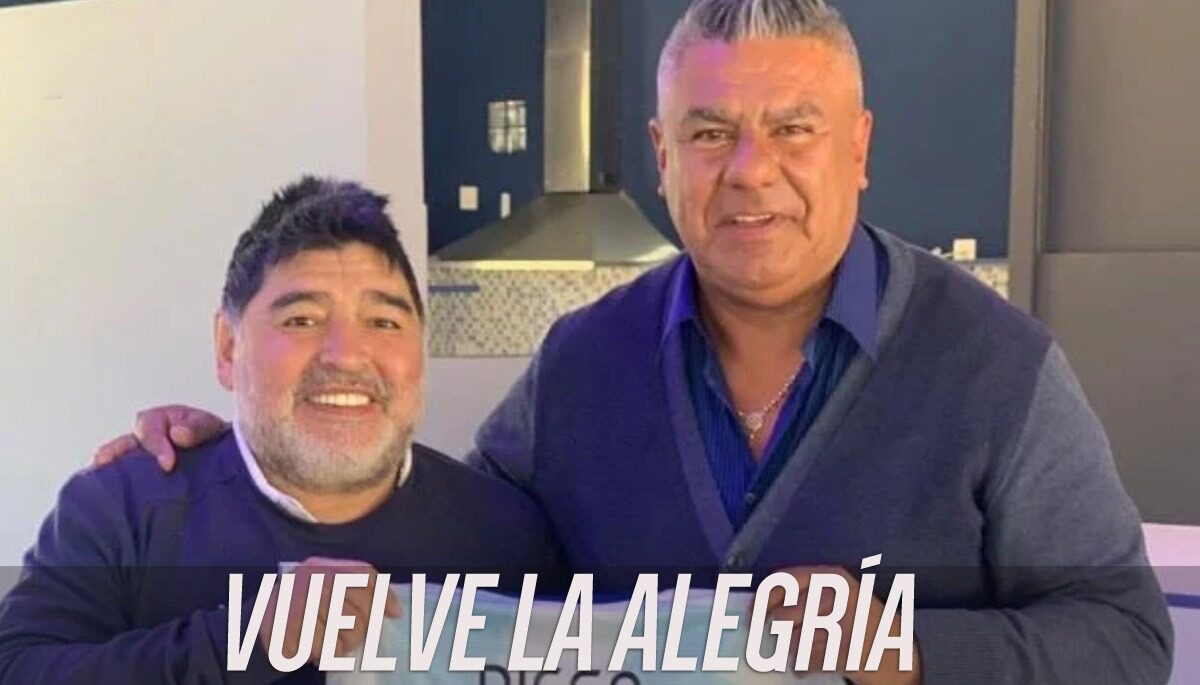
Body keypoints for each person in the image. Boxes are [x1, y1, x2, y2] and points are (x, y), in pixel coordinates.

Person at [92, 1, 1173, 683]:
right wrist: (249, 449)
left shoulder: (999, 367)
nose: (749, 169)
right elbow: (442, 542)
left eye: (793, 128)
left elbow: (1127, 637)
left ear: (858, 147)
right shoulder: (581, 364)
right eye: (710, 132)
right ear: (662, 153)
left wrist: (913, 648)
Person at [0, 177, 564, 684]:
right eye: (302, 319)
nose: (347, 355)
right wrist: (245, 640)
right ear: (228, 347)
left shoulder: (506, 533)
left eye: (384, 321)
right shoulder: (122, 510)